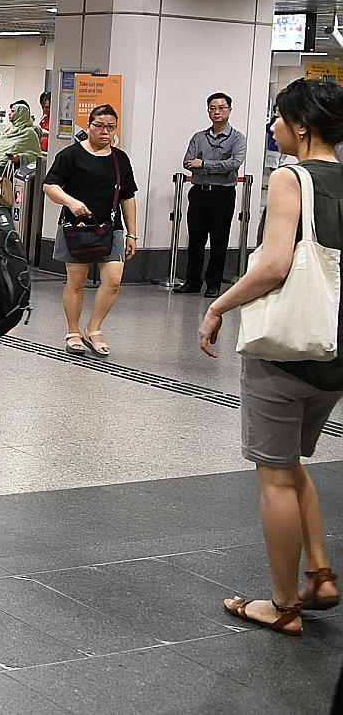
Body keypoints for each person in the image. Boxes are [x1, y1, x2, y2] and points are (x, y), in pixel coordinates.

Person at [198, 78, 343, 637]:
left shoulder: (291, 178)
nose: (273, 127)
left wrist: (219, 305)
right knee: (291, 463)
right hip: (333, 350)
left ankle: (283, 605)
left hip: (286, 350)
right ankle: (321, 572)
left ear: (303, 126)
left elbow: (274, 264)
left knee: (276, 477)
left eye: (279, 118)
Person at [43, 104, 138, 357]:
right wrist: (71, 202)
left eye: (110, 127)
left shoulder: (120, 159)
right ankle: (73, 331)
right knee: (76, 282)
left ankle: (93, 328)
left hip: (111, 227)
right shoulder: (71, 155)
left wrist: (132, 233)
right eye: (99, 126)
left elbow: (128, 197)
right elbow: (50, 186)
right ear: (88, 127)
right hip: (77, 228)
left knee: (114, 281)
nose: (105, 131)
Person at [180, 91, 247, 298]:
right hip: (199, 193)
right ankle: (192, 281)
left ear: (229, 110)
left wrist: (204, 164)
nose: (216, 111)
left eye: (221, 108)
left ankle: (214, 284)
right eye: (212, 108)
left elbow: (234, 164)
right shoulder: (199, 137)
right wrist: (215, 166)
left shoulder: (237, 138)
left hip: (223, 194)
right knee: (196, 240)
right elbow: (187, 162)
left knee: (219, 240)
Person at [0, 100, 43, 207]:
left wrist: (20, 158)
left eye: (13, 111)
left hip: (15, 174)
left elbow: (36, 156)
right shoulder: (9, 130)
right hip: (1, 171)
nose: (10, 114)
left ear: (21, 114)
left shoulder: (30, 133)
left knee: (10, 202)